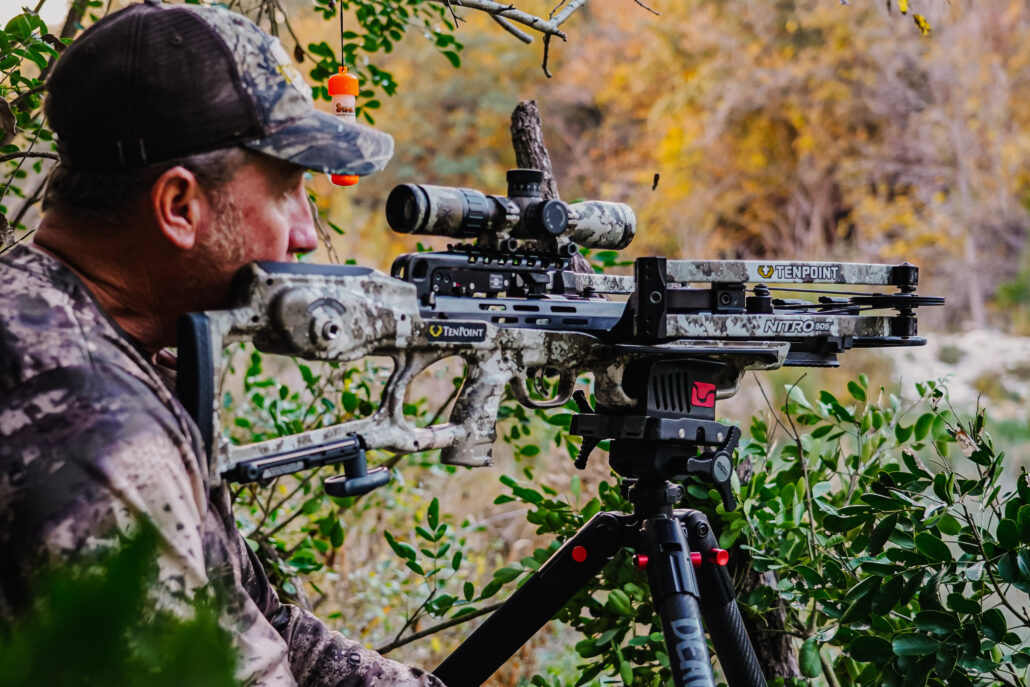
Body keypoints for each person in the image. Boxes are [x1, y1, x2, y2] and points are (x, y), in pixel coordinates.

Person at [0, 2, 445, 685]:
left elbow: (252, 618)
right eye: (289, 190)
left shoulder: (67, 318)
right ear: (179, 206)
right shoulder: (90, 424)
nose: (304, 232)